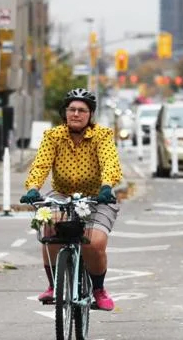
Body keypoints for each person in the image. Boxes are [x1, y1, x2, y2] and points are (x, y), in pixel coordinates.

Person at [20, 88, 123, 311]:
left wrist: (107, 186)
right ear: (65, 112)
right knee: (48, 227)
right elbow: (41, 165)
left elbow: (110, 163)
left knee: (94, 243)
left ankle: (98, 289)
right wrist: (33, 187)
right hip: (62, 194)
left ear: (90, 115)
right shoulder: (53, 136)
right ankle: (54, 285)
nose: (76, 114)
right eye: (72, 109)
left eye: (82, 110)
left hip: (97, 196)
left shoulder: (102, 135)